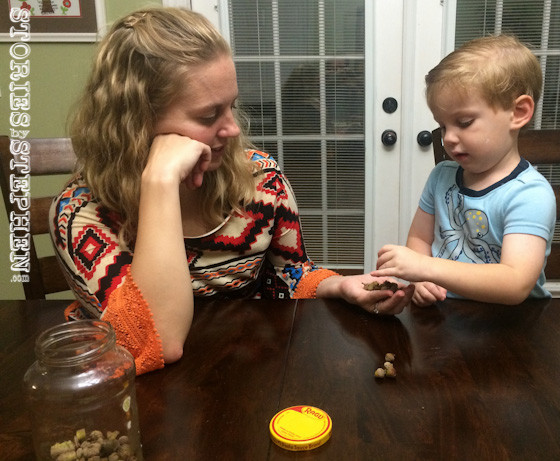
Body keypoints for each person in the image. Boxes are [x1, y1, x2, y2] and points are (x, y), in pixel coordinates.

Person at [49, 7, 414, 375]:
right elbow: (155, 342)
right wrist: (159, 183)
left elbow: (288, 275)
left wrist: (340, 286)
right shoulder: (80, 216)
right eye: (209, 116)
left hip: (243, 374)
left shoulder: (261, 183)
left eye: (232, 107)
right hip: (141, 399)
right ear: (136, 124)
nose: (233, 129)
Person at [372, 34, 556, 306]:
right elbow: (419, 238)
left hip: (513, 327)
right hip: (446, 315)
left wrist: (425, 268)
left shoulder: (530, 195)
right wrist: (421, 280)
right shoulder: (441, 177)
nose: (448, 138)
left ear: (518, 112)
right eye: (443, 125)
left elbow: (514, 284)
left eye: (465, 122)